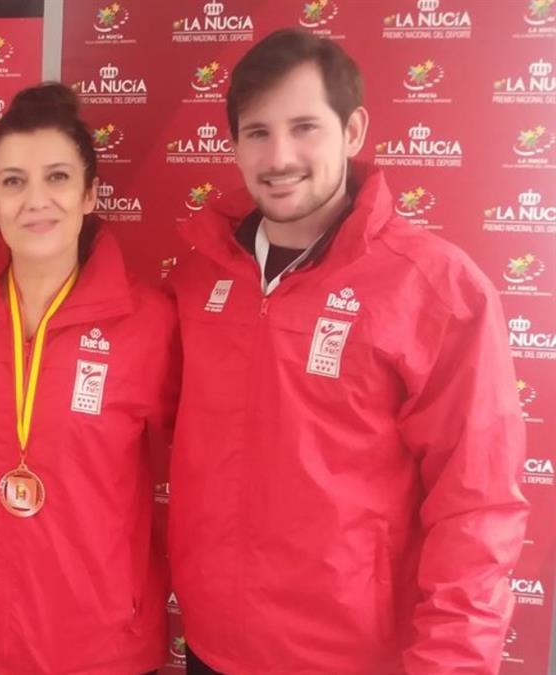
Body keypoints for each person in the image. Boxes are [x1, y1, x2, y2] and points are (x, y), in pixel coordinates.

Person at [166, 29, 528, 674]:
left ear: (353, 130)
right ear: (235, 146)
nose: (280, 156)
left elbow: (476, 502)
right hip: (212, 647)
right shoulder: (200, 279)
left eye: (305, 126)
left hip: (349, 659)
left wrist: (453, 664)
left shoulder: (434, 285)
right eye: (257, 132)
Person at [0, 84, 180, 674]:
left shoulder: (150, 323)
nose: (36, 200)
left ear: (89, 194)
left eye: (57, 178)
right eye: (13, 182)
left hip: (95, 642)